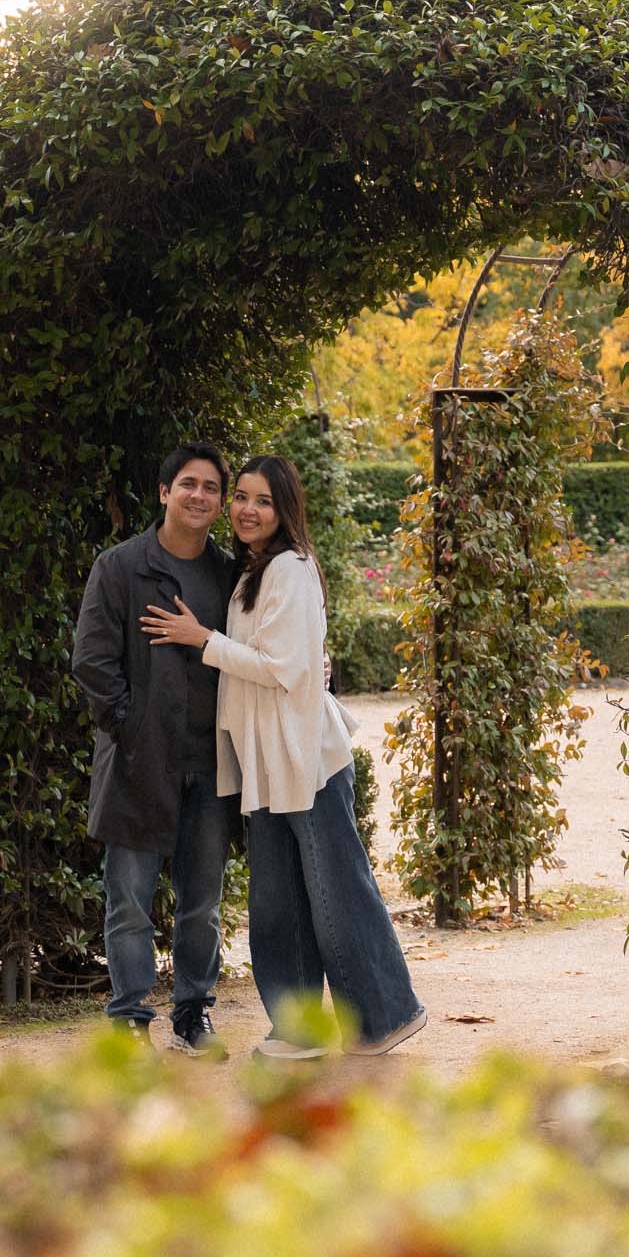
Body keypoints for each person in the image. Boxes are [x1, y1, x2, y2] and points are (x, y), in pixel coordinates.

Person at [142, 453, 427, 1059]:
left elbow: (287, 669)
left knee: (333, 895)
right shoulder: (254, 570)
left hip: (306, 760)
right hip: (265, 763)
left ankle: (384, 1017)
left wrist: (203, 641)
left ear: (285, 508)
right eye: (241, 497)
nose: (246, 509)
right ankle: (297, 1028)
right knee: (278, 900)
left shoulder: (292, 569)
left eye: (262, 501)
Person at [71, 444, 241, 1053]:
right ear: (164, 491)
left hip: (211, 763)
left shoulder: (229, 575)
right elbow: (91, 661)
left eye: (212, 488)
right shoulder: (119, 568)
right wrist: (130, 725)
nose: (200, 495)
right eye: (188, 484)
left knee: (202, 905)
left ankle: (193, 1015)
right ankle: (128, 1020)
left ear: (220, 503)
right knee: (130, 905)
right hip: (138, 762)